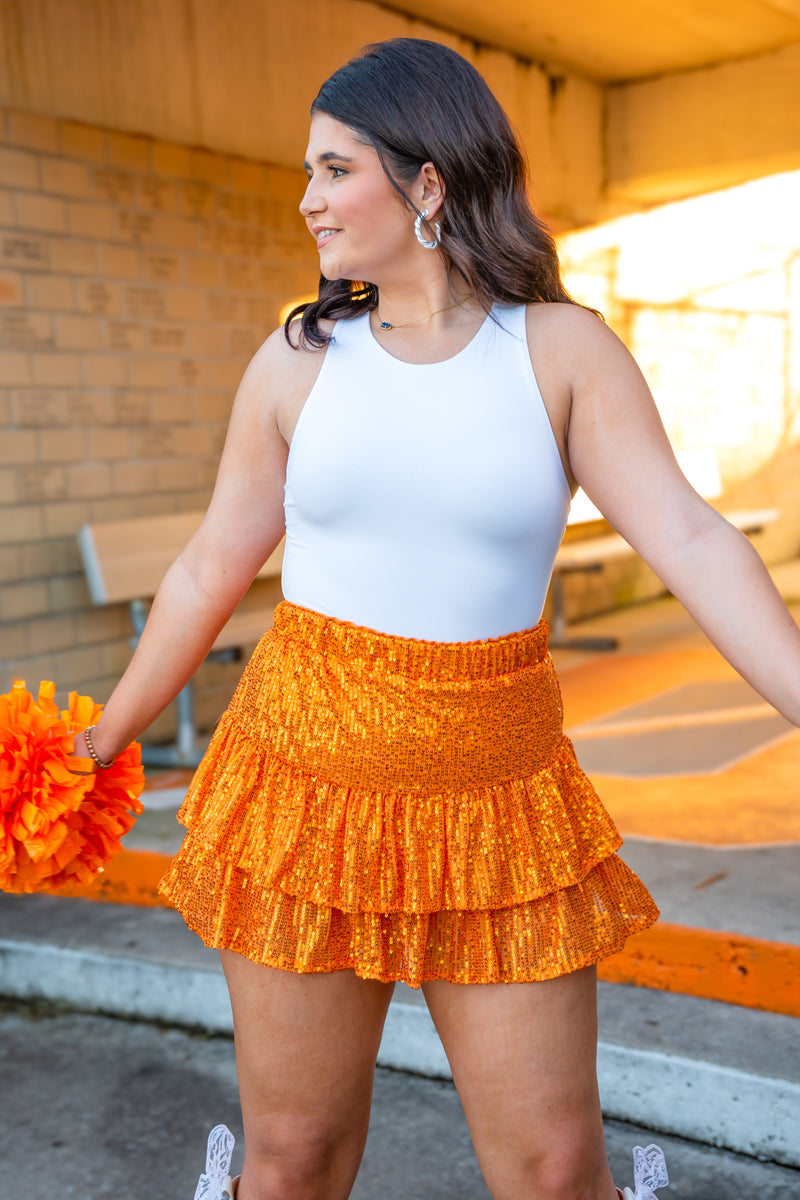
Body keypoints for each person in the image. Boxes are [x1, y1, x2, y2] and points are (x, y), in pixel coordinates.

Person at [72, 37, 800, 1200]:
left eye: (333, 168)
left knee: (554, 1170)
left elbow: (694, 541)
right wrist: (103, 740)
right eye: (304, 173)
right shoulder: (295, 361)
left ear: (426, 181)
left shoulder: (561, 352)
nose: (306, 201)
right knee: (295, 1158)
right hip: (300, 795)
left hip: (499, 805)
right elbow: (215, 563)